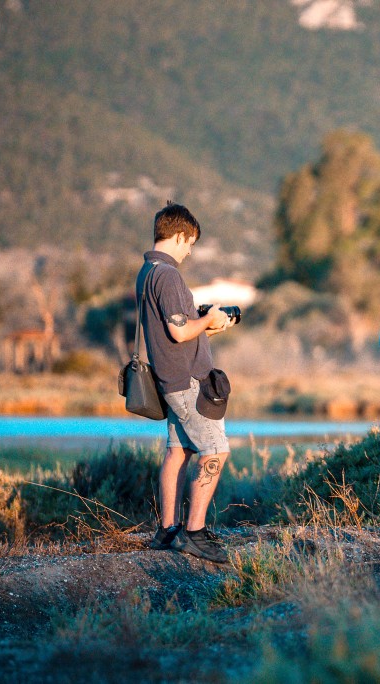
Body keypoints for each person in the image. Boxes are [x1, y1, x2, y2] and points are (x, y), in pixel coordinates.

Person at [139, 202, 236, 563]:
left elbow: (173, 325)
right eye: (190, 242)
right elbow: (179, 332)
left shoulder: (147, 272)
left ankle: (167, 531)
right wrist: (208, 320)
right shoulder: (168, 275)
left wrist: (206, 322)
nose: (190, 250)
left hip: (170, 380)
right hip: (188, 381)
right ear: (179, 235)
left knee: (178, 451)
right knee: (216, 450)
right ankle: (193, 533)